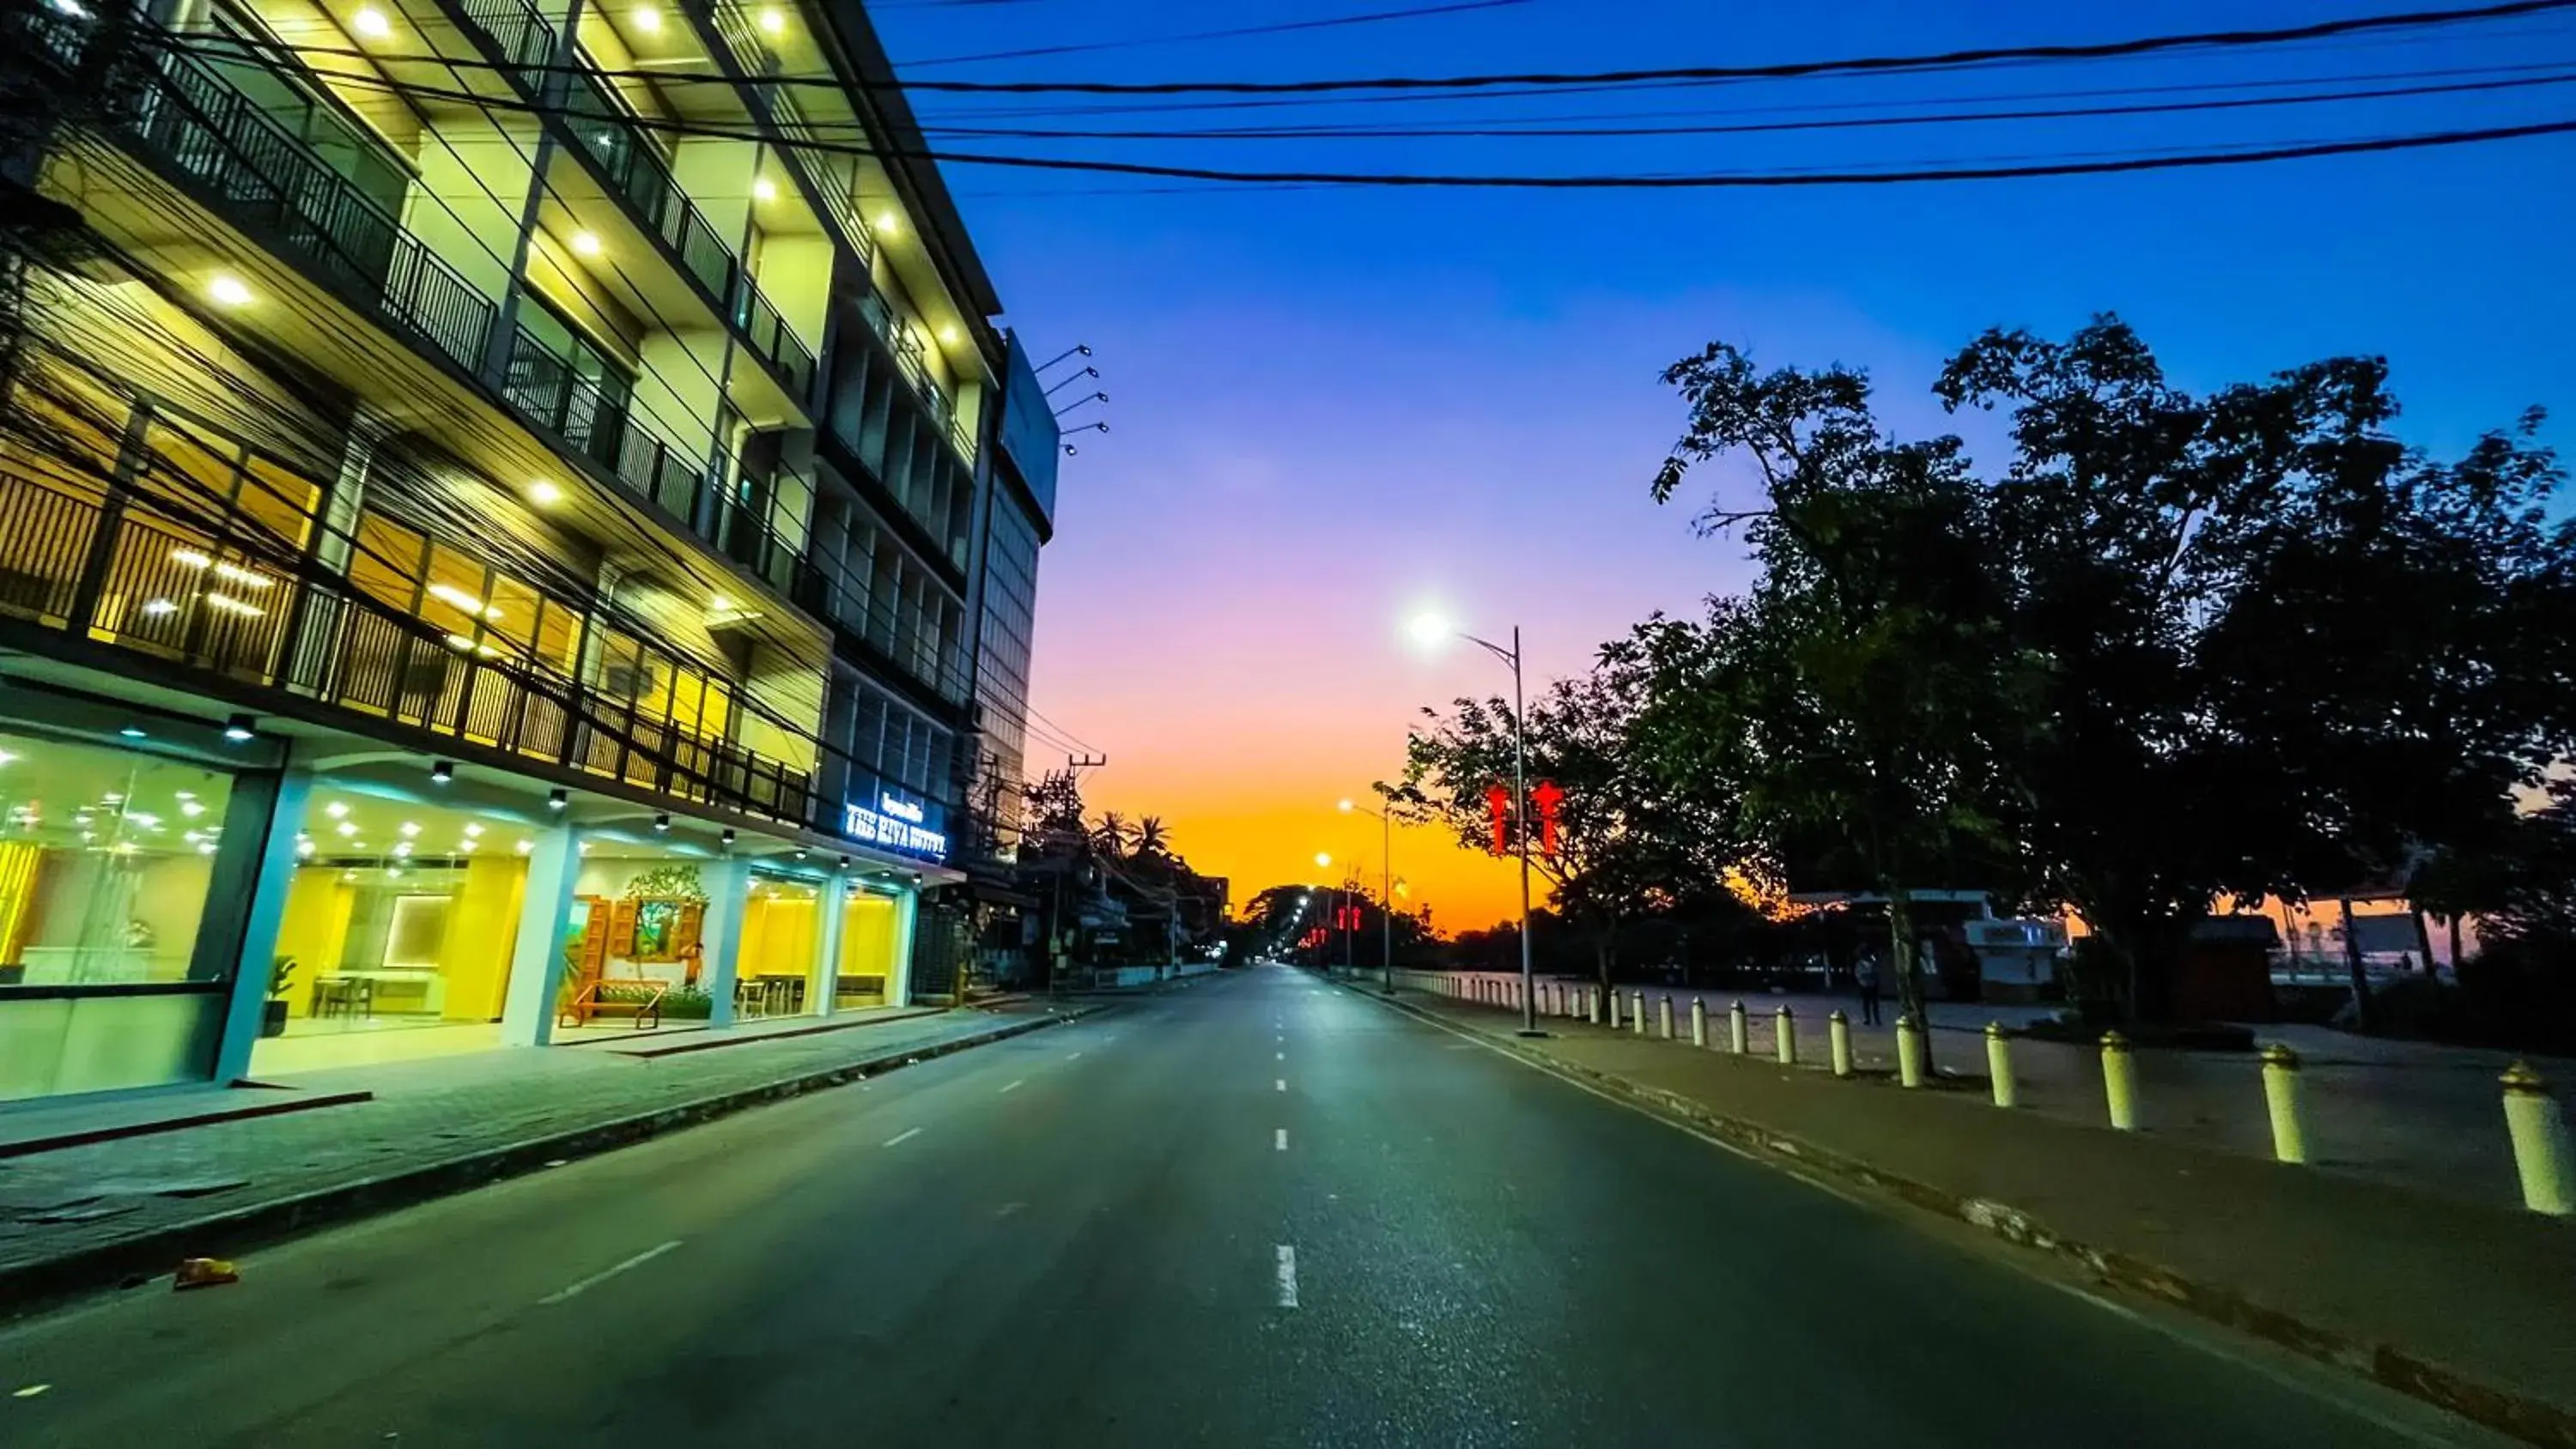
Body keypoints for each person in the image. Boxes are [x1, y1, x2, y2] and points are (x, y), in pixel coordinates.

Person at [1856, 949, 1883, 1027]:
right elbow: (1859, 975)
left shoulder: (1873, 962)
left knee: (1874, 1004)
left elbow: (1877, 973)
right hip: (1865, 985)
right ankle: (1869, 1019)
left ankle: (1875, 1019)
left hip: (1871, 985)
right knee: (1867, 1004)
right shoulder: (1860, 964)